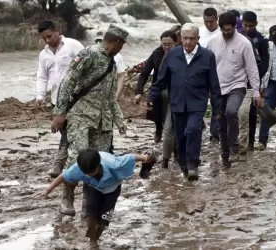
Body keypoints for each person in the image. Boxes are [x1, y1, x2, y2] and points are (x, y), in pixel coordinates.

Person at [51, 24, 128, 218]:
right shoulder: (89, 54)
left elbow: (110, 97)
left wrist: (119, 121)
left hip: (103, 123)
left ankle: (88, 201)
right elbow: (68, 81)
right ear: (117, 43)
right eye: (122, 45)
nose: (122, 48)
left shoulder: (111, 62)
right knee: (77, 158)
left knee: (98, 162)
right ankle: (67, 199)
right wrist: (60, 112)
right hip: (81, 118)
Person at [38, 149, 157, 249]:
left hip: (112, 188)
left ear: (98, 165)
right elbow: (63, 176)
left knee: (103, 220)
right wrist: (48, 190)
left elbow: (130, 158)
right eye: (86, 173)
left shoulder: (114, 164)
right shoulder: (78, 169)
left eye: (91, 172)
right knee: (91, 212)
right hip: (93, 187)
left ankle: (96, 236)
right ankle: (93, 243)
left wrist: (145, 158)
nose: (88, 174)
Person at [147, 23, 222, 181]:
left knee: (193, 130)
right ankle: (183, 165)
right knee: (180, 137)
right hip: (177, 102)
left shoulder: (207, 56)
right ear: (181, 38)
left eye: (192, 39)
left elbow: (214, 84)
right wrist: (151, 97)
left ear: (198, 39)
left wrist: (217, 109)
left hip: (197, 102)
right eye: (185, 38)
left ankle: (193, 164)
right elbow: (161, 79)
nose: (188, 42)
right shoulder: (173, 54)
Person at [207, 12, 261, 166]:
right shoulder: (212, 42)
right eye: (223, 30)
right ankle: (225, 155)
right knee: (220, 121)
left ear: (234, 27)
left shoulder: (244, 43)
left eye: (229, 30)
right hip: (218, 87)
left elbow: (252, 68)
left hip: (237, 85)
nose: (226, 33)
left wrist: (256, 91)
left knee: (231, 111)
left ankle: (235, 147)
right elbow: (206, 67)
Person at [35, 20, 84, 178]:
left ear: (57, 30)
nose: (47, 40)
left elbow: (88, 66)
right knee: (67, 131)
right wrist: (40, 96)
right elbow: (42, 76)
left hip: (77, 98)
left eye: (49, 36)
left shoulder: (73, 46)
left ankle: (58, 165)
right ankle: (79, 163)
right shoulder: (44, 54)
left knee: (70, 132)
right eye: (44, 38)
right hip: (57, 99)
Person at [134, 30, 179, 168]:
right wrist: (139, 92)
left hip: (176, 90)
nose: (166, 47)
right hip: (159, 88)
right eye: (164, 44)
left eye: (169, 44)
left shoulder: (181, 54)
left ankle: (176, 150)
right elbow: (144, 73)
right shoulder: (157, 53)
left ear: (176, 42)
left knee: (173, 123)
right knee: (158, 113)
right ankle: (158, 127)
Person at [239, 10, 269, 155]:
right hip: (237, 79)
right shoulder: (236, 36)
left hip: (252, 81)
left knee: (251, 112)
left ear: (256, 24)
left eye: (251, 26)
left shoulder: (260, 40)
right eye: (245, 25)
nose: (248, 28)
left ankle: (250, 141)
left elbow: (264, 62)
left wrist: (256, 79)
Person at [199, 7, 221, 143]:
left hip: (217, 73)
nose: (208, 24)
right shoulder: (199, 32)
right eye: (206, 21)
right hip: (201, 74)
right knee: (199, 103)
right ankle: (199, 125)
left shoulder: (221, 33)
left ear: (216, 19)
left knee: (216, 104)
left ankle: (214, 134)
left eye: (211, 21)